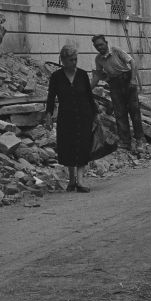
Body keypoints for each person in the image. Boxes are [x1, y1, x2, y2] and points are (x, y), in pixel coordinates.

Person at [44, 44, 98, 192]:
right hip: (66, 116)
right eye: (71, 60)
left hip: (84, 115)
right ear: (63, 60)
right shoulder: (56, 77)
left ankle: (80, 181)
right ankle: (72, 180)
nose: (74, 62)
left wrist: (96, 114)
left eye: (76, 59)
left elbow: (89, 95)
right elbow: (50, 97)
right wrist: (48, 114)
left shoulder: (82, 74)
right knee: (68, 146)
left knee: (82, 145)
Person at [89, 34, 145, 155]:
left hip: (127, 81)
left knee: (134, 111)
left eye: (101, 44)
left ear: (106, 43)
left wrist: (133, 79)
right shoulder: (98, 59)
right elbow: (97, 76)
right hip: (114, 84)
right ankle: (125, 142)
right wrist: (87, 90)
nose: (100, 47)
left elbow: (133, 62)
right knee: (120, 113)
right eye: (97, 46)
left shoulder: (116, 50)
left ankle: (140, 140)